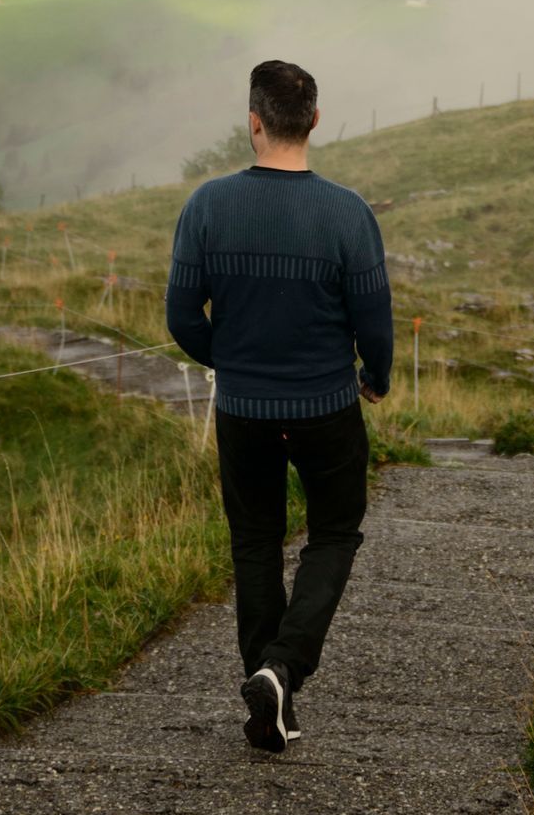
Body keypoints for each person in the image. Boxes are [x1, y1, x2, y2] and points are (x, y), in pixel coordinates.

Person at [165, 58, 393, 754]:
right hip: (328, 404)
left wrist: (231, 361)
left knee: (255, 540)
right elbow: (374, 316)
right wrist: (373, 376)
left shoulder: (208, 205)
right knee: (333, 533)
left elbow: (182, 315)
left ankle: (266, 679)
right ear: (315, 122)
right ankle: (283, 668)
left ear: (255, 122)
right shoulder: (348, 213)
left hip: (243, 410)